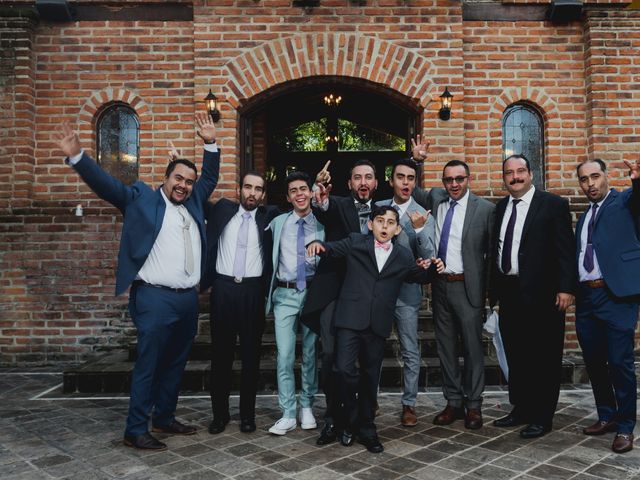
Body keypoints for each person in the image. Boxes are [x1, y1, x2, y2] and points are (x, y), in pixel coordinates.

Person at [55, 114, 220, 451]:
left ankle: (164, 417)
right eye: (178, 178)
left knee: (176, 362)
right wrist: (78, 157)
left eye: (189, 181)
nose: (183, 185)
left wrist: (210, 143)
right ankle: (135, 428)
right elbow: (106, 185)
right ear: (167, 176)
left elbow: (211, 176)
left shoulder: (194, 202)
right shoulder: (141, 198)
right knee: (149, 363)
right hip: (154, 298)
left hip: (188, 299)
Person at [307, 206, 443, 453]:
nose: (384, 226)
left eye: (390, 222)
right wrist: (319, 244)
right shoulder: (356, 242)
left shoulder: (402, 255)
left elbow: (420, 276)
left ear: (397, 229)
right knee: (343, 371)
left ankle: (367, 428)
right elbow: (333, 248)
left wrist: (434, 267)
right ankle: (346, 420)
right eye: (380, 221)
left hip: (377, 325)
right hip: (349, 320)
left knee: (370, 378)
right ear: (371, 224)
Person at [489, 154, 576, 439]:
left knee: (544, 357)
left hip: (544, 294)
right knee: (517, 355)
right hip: (510, 293)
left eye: (520, 171)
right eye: (509, 173)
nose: (515, 177)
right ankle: (522, 408)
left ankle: (542, 416)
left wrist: (566, 287)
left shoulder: (552, 205)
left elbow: (565, 249)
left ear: (531, 174)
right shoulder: (501, 207)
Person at [305, 159, 379, 445]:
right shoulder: (338, 205)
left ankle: (361, 421)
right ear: (349, 184)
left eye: (368, 177)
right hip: (335, 294)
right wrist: (319, 190)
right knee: (331, 358)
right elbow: (323, 205)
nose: (362, 182)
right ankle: (333, 419)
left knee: (368, 364)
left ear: (375, 183)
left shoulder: (384, 212)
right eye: (357, 177)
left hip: (370, 298)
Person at [202, 171, 279, 435]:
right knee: (220, 357)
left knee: (251, 358)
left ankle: (247, 416)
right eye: (248, 187)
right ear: (239, 189)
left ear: (263, 194)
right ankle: (219, 416)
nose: (252, 193)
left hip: (253, 291)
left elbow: (303, 206)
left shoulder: (269, 215)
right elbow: (196, 197)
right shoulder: (222, 209)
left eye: (258, 189)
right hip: (223, 289)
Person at [574, 158, 640, 454]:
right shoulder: (584, 216)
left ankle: (626, 426)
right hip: (587, 298)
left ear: (606, 177)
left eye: (595, 177)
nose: (590, 184)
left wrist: (637, 180)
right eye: (584, 179)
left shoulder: (624, 201)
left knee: (619, 363)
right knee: (594, 362)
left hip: (617, 297)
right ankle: (607, 415)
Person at [428, 160, 495, 430]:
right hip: (440, 286)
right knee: (446, 348)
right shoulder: (436, 200)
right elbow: (406, 190)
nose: (454, 184)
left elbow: (491, 256)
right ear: (443, 182)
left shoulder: (486, 209)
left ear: (469, 178)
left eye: (459, 179)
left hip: (468, 287)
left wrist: (491, 296)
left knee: (472, 348)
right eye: (448, 180)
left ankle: (474, 405)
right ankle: (453, 402)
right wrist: (416, 160)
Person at [375, 158, 435, 426]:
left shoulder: (423, 212)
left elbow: (429, 255)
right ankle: (370, 399)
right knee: (373, 348)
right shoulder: (378, 209)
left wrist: (420, 228)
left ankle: (409, 404)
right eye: (401, 177)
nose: (406, 183)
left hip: (408, 294)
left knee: (410, 350)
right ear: (392, 181)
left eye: (411, 178)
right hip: (378, 293)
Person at [265, 171, 325, 435]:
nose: (300, 194)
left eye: (304, 188)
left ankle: (307, 406)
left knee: (311, 353)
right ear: (288, 197)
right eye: (294, 191)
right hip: (285, 295)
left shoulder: (323, 224)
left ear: (311, 192)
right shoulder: (278, 223)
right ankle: (288, 412)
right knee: (285, 355)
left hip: (313, 293)